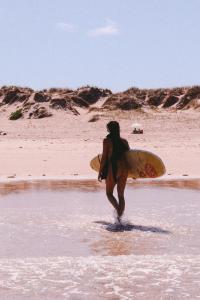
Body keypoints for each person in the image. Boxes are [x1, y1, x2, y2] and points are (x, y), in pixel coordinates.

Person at [98, 121, 130, 220]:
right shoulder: (124, 141)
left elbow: (104, 158)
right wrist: (134, 172)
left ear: (109, 129)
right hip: (125, 168)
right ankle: (120, 218)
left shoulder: (107, 141)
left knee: (109, 193)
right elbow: (130, 157)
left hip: (114, 167)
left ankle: (119, 211)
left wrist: (100, 171)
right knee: (121, 195)